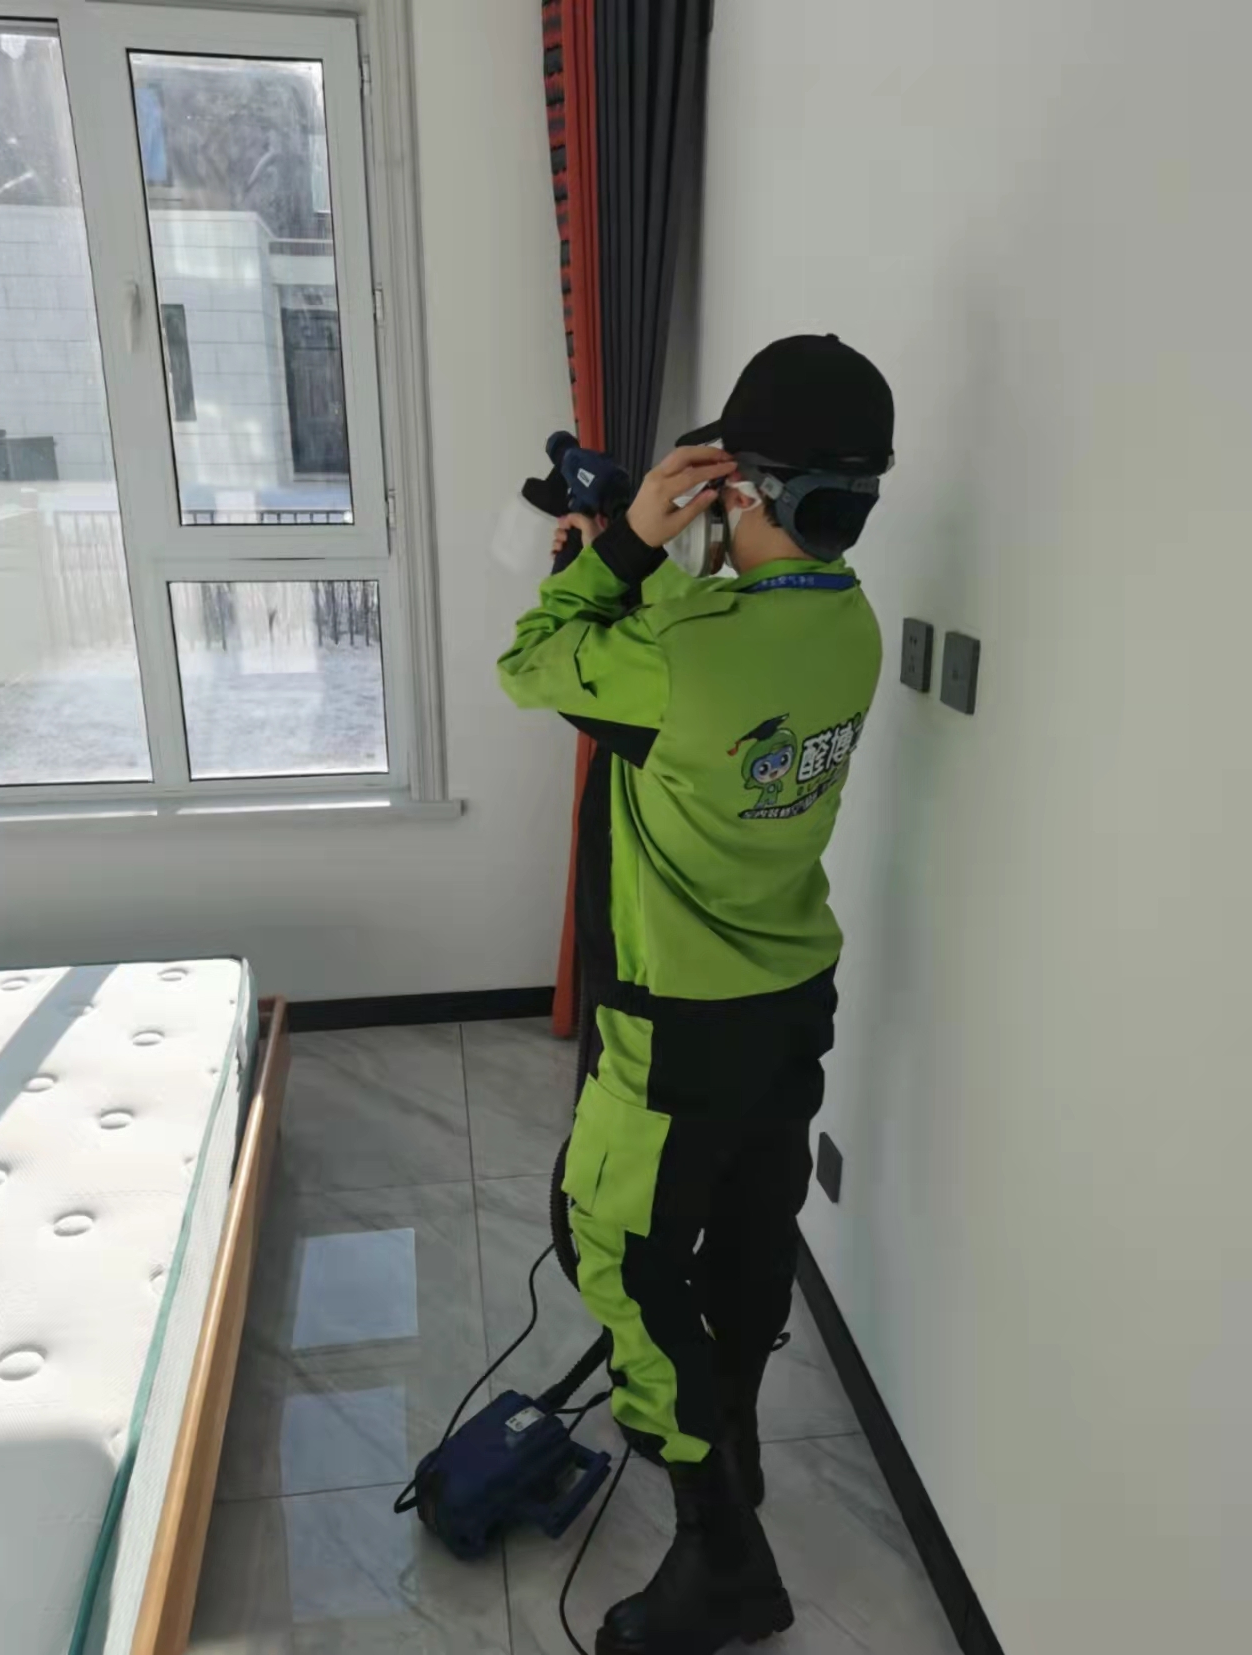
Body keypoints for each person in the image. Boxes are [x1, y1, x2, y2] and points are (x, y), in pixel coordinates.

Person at [498, 334, 893, 1655]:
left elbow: (537, 664)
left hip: (675, 1025)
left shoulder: (680, 648)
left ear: (742, 489)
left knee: (614, 1249)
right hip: (790, 998)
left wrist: (617, 549)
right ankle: (740, 1447)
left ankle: (722, 1554)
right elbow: (695, 666)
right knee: (748, 1237)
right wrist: (637, 560)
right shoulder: (848, 626)